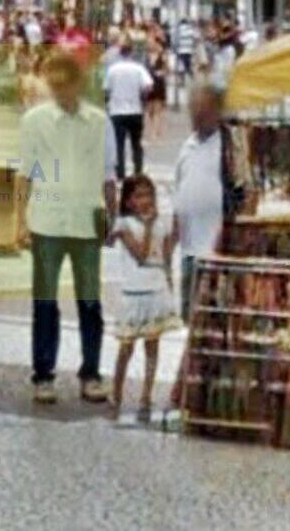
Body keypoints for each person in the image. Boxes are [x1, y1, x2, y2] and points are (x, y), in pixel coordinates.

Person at [15, 53, 116, 405]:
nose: (59, 92)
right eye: (53, 85)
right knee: (45, 301)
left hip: (87, 220)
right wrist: (19, 222)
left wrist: (111, 219)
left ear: (77, 83)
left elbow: (108, 175)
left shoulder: (100, 122)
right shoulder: (34, 121)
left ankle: (91, 373)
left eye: (64, 84)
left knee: (90, 301)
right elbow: (24, 174)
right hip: (46, 220)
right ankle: (43, 374)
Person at [109, 175, 180, 421]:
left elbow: (165, 254)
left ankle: (146, 396)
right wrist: (149, 227)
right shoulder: (123, 224)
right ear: (128, 201)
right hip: (133, 292)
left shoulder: (161, 224)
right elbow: (140, 254)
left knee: (152, 347)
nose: (145, 200)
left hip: (155, 290)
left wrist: (173, 233)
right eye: (138, 196)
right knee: (126, 347)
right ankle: (116, 392)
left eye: (149, 194)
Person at [173, 84, 226, 322]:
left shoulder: (228, 147)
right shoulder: (187, 146)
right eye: (193, 110)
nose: (196, 115)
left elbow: (246, 196)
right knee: (191, 320)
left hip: (216, 250)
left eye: (201, 110)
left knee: (214, 320)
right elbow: (180, 194)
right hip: (189, 252)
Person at [104, 44, 153, 178]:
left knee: (119, 144)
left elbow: (106, 89)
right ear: (131, 53)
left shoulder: (112, 70)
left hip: (117, 111)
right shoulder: (138, 68)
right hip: (135, 109)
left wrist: (109, 100)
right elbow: (148, 85)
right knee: (136, 143)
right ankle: (138, 170)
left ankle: (120, 172)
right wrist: (142, 96)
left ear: (120, 54)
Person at [145, 40, 170, 140]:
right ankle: (150, 131)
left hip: (159, 84)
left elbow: (167, 70)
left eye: (154, 43)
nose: (152, 45)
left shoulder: (163, 56)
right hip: (149, 84)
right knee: (149, 110)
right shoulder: (146, 56)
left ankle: (156, 132)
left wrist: (162, 72)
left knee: (157, 110)